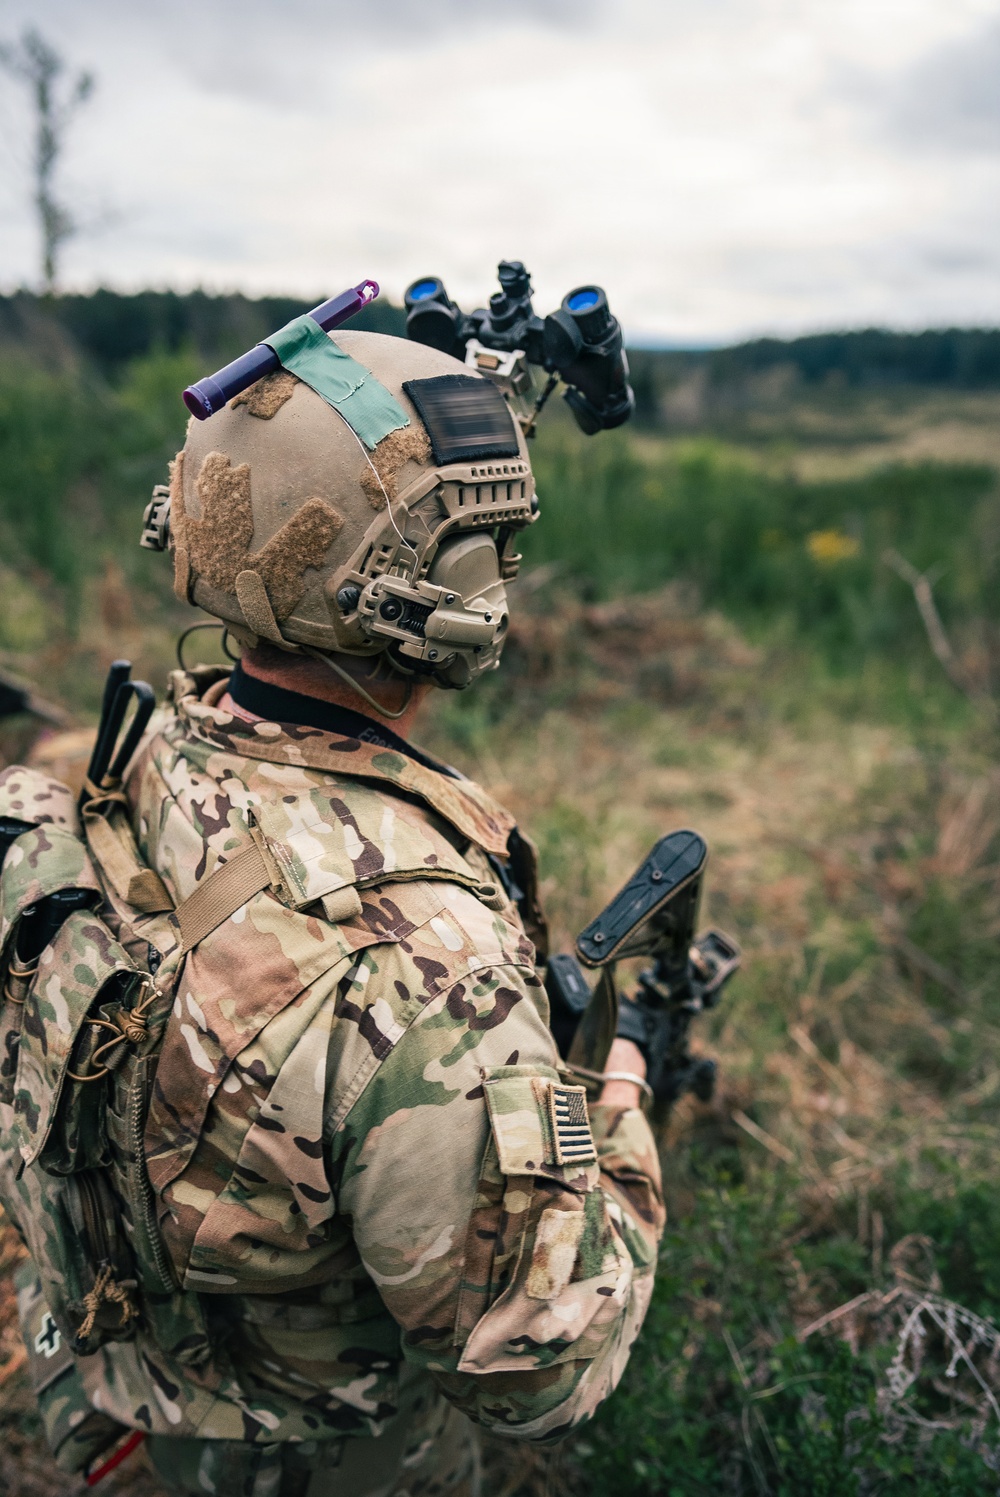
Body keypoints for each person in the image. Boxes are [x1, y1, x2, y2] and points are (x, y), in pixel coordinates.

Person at [0, 329, 664, 1497]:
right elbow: (537, 1376)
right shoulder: (425, 970)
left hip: (110, 1376)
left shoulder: (135, 753)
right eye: (494, 542)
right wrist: (622, 1102)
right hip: (307, 1458)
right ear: (456, 581)